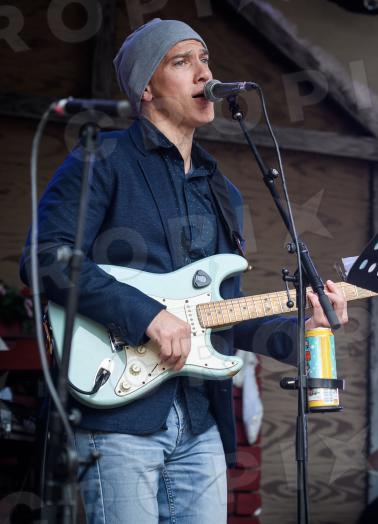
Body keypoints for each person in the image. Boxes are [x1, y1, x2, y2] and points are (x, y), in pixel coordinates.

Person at [20, 19, 348, 523]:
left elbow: (224, 315)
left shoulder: (222, 192)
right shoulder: (103, 158)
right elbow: (44, 257)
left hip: (200, 420)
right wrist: (147, 316)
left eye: (205, 58)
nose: (204, 73)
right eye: (182, 61)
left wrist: (301, 328)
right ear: (146, 88)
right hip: (118, 413)